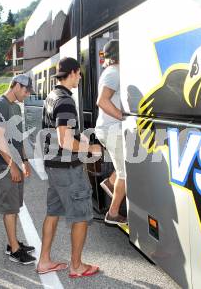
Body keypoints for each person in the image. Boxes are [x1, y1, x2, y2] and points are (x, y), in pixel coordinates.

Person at [37, 57, 102, 278]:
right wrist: (90, 148)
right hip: (67, 168)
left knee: (53, 212)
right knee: (82, 215)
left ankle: (44, 261)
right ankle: (77, 266)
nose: (81, 77)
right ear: (73, 73)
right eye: (79, 73)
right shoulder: (65, 100)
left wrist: (79, 140)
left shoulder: (51, 96)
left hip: (53, 166)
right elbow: (64, 140)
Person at [0, 74, 36, 265]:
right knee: (9, 207)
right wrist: (12, 165)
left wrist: (24, 160)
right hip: (2, 163)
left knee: (14, 206)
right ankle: (14, 250)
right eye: (25, 90)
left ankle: (12, 243)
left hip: (14, 161)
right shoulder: (0, 104)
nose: (27, 94)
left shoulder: (16, 106)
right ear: (16, 85)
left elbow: (18, 136)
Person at [95, 39, 127, 225]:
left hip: (111, 128)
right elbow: (102, 101)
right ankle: (113, 214)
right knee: (126, 174)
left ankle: (109, 182)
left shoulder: (114, 72)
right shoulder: (114, 72)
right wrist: (122, 116)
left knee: (123, 165)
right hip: (111, 129)